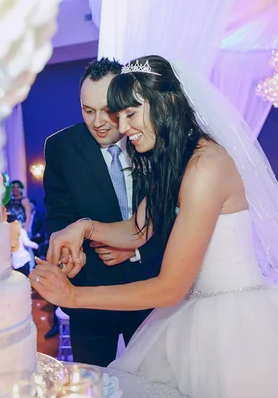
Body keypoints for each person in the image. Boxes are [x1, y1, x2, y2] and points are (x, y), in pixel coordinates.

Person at [31, 55, 278, 397]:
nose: (122, 128)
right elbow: (137, 230)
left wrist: (73, 295)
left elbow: (170, 288)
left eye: (130, 115)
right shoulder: (173, 160)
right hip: (193, 313)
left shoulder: (205, 166)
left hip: (235, 325)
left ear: (167, 103)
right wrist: (85, 226)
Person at [41, 58, 164, 365]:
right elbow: (59, 216)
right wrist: (71, 254)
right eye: (88, 110)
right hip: (91, 296)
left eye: (108, 110)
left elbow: (176, 217)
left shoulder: (152, 140)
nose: (98, 122)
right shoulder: (61, 148)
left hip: (153, 293)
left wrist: (134, 250)